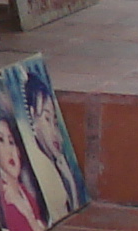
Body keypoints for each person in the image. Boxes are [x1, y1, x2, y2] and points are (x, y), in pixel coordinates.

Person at [19, 63, 89, 217]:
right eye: (47, 118)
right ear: (32, 115)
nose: (54, 132)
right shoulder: (35, 165)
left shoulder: (56, 163)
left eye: (55, 122)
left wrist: (69, 180)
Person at [0, 99, 52, 231]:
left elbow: (40, 229)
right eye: (1, 140)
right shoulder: (1, 197)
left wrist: (28, 214)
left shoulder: (23, 190)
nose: (10, 151)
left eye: (12, 142)